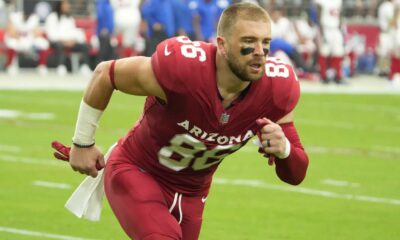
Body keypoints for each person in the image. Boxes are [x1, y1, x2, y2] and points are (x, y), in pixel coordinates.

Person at [52, 3, 309, 240]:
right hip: (139, 171)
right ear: (222, 44)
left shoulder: (276, 89)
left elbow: (296, 174)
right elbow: (105, 73)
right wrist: (83, 142)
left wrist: (284, 148)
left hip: (193, 195)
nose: (259, 52)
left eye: (265, 42)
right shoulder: (184, 70)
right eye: (248, 42)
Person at [45, 0, 91, 76]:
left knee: (84, 46)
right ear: (59, 6)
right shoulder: (52, 17)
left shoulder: (69, 18)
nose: (68, 6)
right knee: (59, 45)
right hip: (56, 42)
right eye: (65, 4)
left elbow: (73, 32)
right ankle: (61, 66)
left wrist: (72, 40)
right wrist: (64, 41)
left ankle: (84, 66)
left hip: (70, 42)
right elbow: (52, 35)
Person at [316, 0, 344, 84]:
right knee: (324, 52)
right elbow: (318, 13)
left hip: (336, 28)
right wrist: (321, 29)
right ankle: (323, 76)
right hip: (326, 28)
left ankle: (337, 76)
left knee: (338, 52)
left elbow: (340, 14)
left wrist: (340, 26)